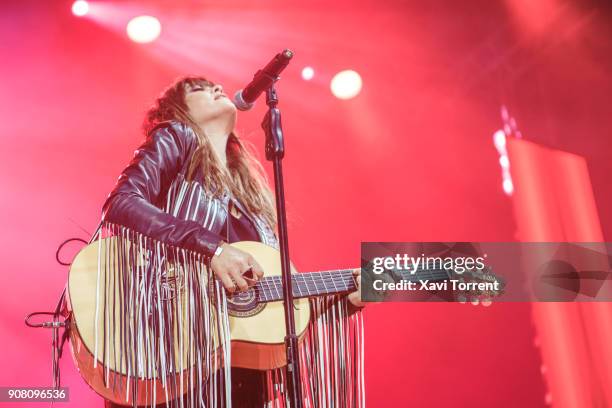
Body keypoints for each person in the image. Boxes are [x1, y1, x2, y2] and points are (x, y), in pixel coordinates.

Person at [98, 76, 365, 407]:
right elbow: (121, 203)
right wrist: (213, 249)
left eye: (215, 85)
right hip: (172, 355)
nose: (216, 88)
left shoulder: (253, 201)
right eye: (198, 88)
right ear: (178, 110)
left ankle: (444, 274)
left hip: (243, 380)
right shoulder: (176, 137)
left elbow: (275, 304)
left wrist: (344, 299)